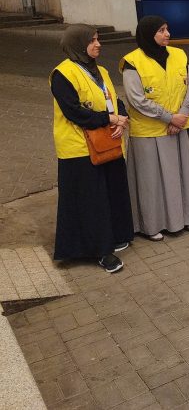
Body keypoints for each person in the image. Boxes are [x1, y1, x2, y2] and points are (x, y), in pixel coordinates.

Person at [50, 25, 134, 273]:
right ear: (77, 44)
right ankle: (100, 251)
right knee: (91, 201)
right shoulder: (62, 74)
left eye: (98, 39)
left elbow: (114, 100)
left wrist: (121, 118)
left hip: (106, 142)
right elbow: (73, 112)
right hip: (79, 149)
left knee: (111, 192)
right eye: (92, 40)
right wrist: (110, 119)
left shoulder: (101, 70)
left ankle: (115, 235)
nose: (98, 44)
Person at [121, 16, 189, 240]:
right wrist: (169, 118)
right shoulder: (132, 62)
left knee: (182, 175)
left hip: (179, 126)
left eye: (167, 29)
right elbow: (137, 99)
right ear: (148, 34)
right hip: (149, 132)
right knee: (151, 182)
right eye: (161, 31)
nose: (167, 34)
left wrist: (181, 115)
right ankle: (151, 225)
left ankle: (186, 216)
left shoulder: (179, 55)